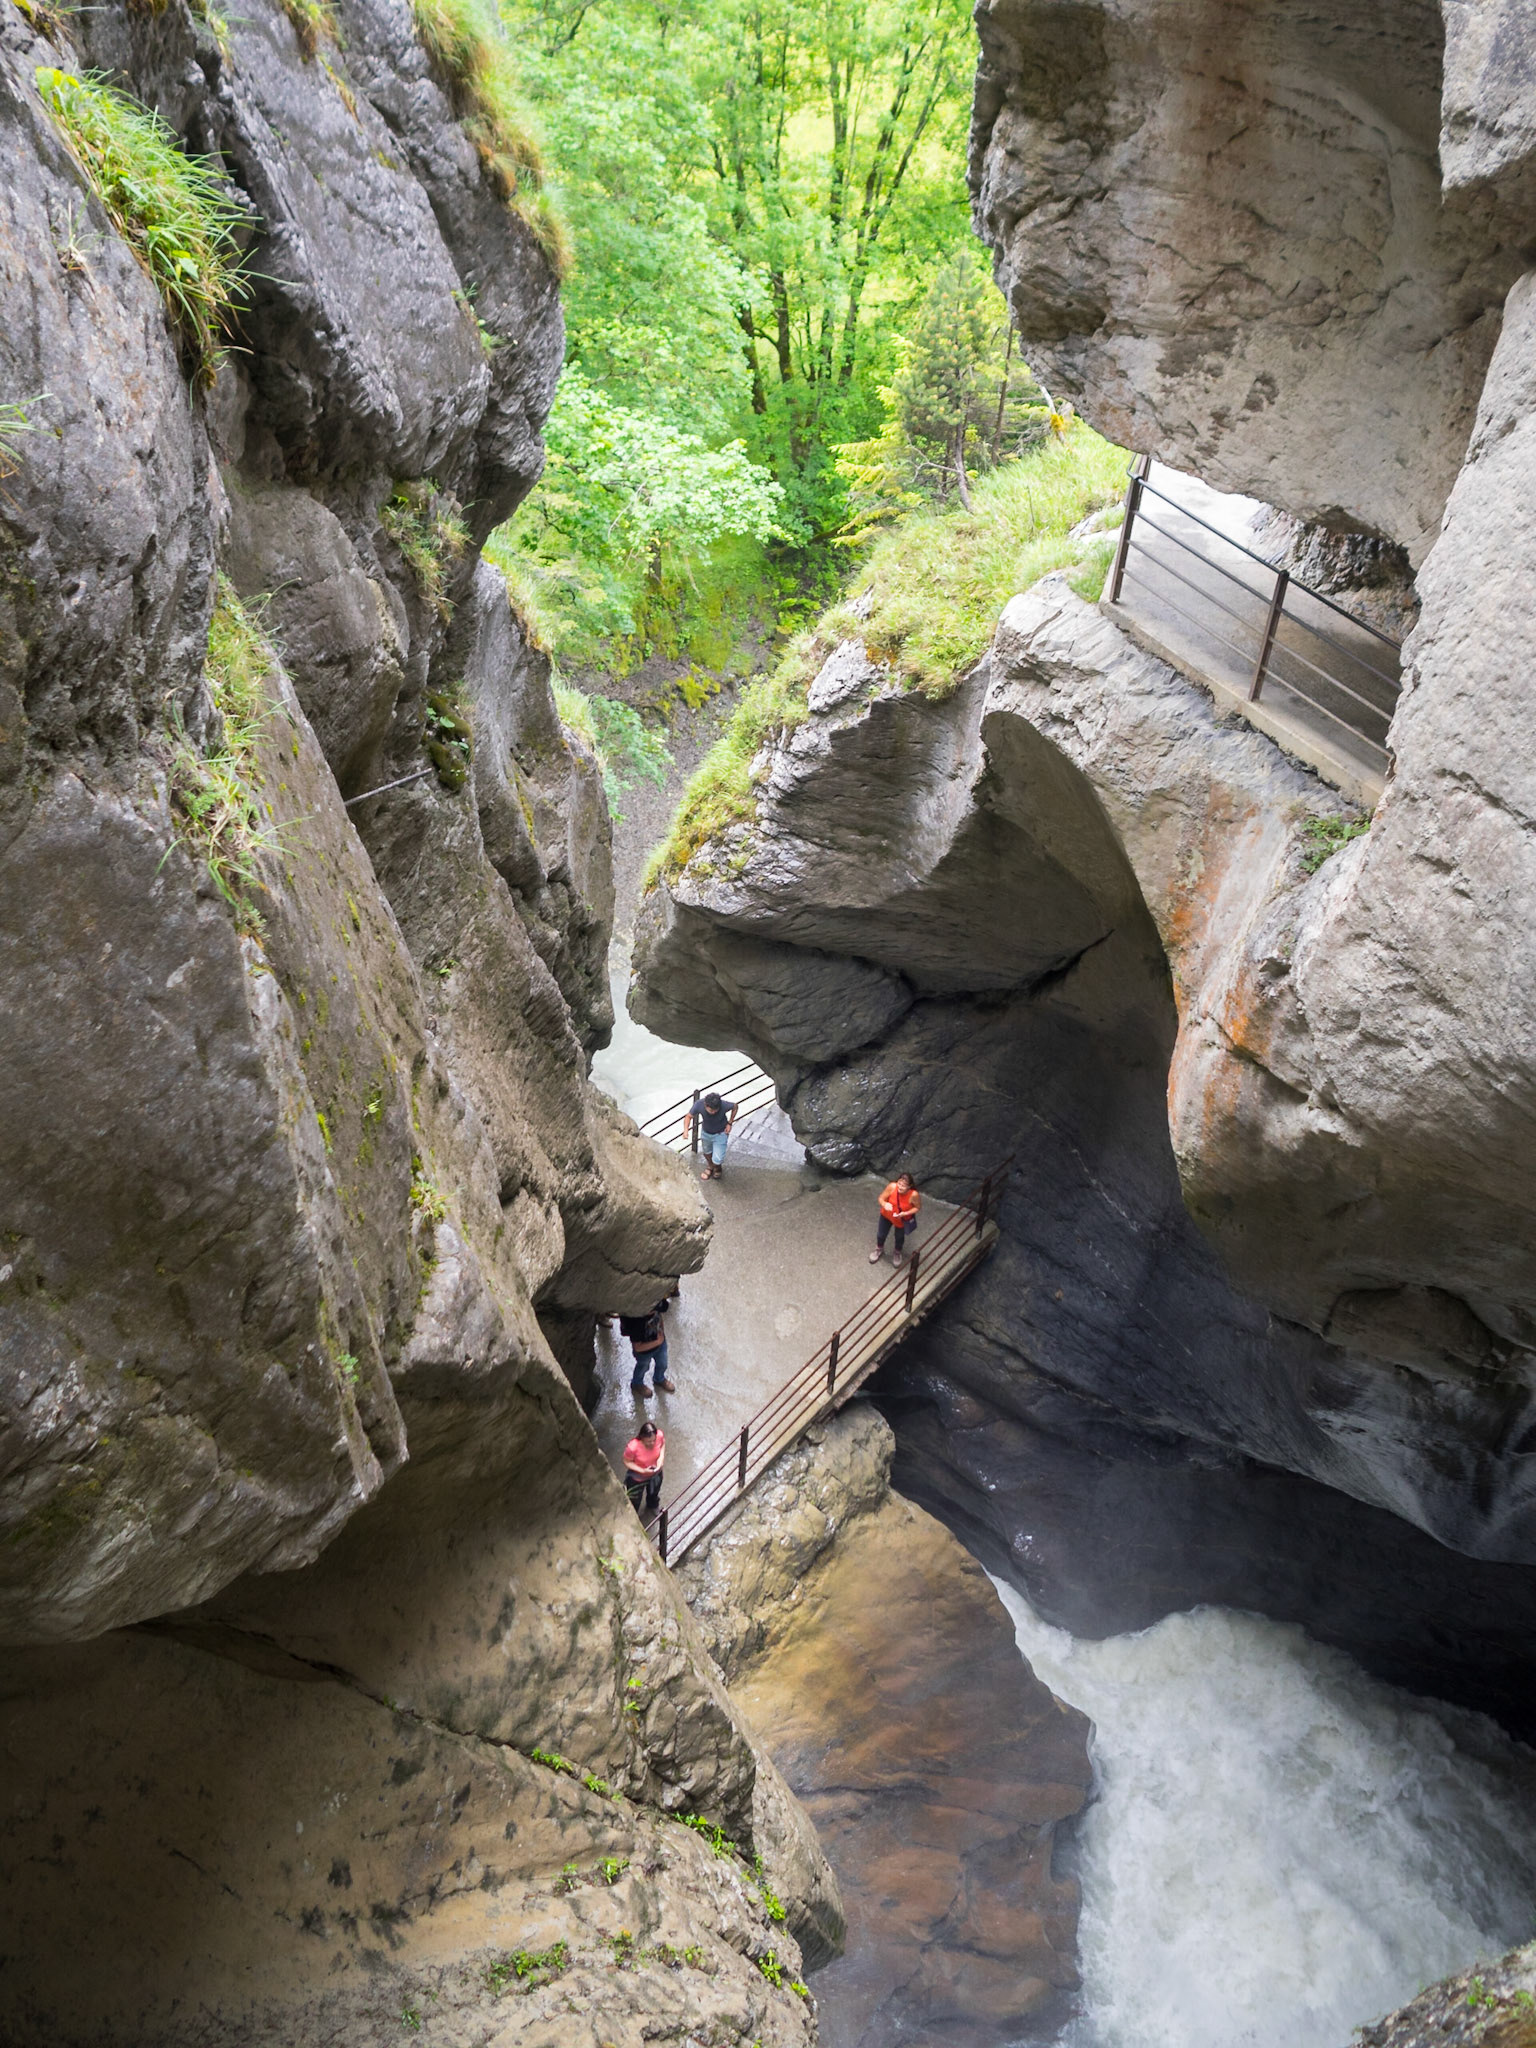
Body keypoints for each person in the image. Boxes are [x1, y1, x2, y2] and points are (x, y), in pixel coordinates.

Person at [618, 1297, 675, 1395]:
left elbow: (659, 1317)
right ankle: (637, 1383)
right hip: (644, 1352)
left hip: (660, 1344)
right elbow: (638, 1347)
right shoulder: (636, 1323)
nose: (655, 1312)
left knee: (663, 1364)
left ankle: (659, 1378)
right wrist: (658, 1341)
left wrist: (661, 1331)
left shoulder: (655, 1311)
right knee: (643, 1367)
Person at [870, 1172, 921, 1265]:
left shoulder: (913, 1195)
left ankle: (897, 1252)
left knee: (899, 1237)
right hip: (887, 1215)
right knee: (881, 1234)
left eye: (903, 1185)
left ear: (909, 1186)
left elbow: (917, 1207)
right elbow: (881, 1198)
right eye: (899, 1183)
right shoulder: (892, 1187)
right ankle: (879, 1249)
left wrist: (906, 1213)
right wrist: (884, 1204)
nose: (900, 1187)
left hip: (901, 1219)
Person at [685, 1090, 736, 1181]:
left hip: (720, 1133)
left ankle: (717, 1167)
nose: (713, 1112)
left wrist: (730, 1122)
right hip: (706, 1133)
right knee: (707, 1152)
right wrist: (686, 1130)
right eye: (711, 1110)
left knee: (718, 1159)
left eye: (716, 1110)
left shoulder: (723, 1105)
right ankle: (710, 1166)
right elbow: (688, 1116)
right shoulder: (699, 1104)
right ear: (705, 1105)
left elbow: (735, 1106)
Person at [623, 1419, 664, 1517]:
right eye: (648, 1441)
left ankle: (652, 1505)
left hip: (655, 1472)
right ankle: (634, 1515)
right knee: (635, 1499)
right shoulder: (632, 1447)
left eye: (654, 1440)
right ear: (642, 1438)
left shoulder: (659, 1435)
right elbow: (627, 1461)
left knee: (654, 1492)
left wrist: (660, 1459)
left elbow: (662, 1445)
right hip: (637, 1477)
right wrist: (642, 1471)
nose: (652, 1443)